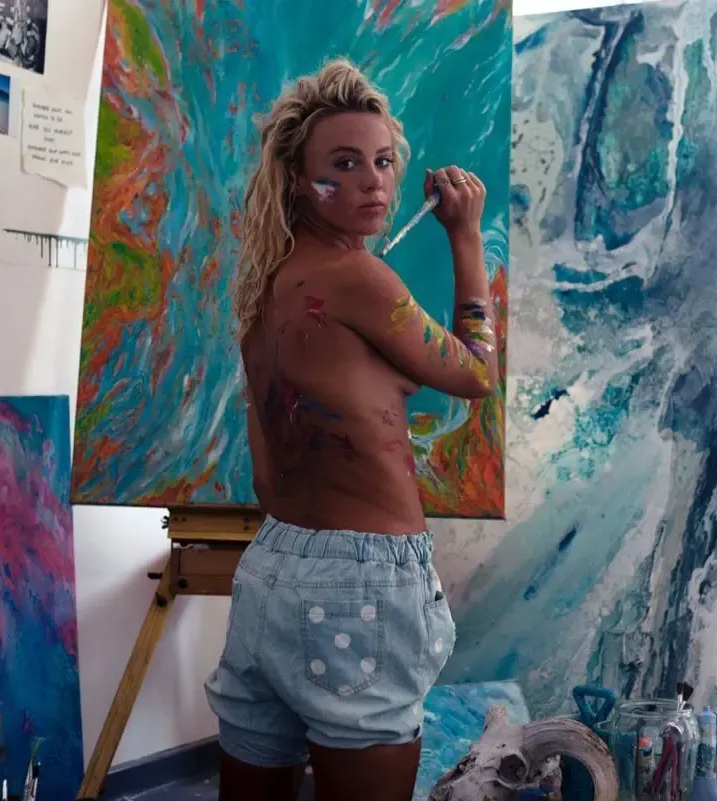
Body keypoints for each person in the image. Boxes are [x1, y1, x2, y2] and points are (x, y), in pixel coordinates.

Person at [204, 58, 500, 801]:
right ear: (298, 182)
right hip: (361, 581)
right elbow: (476, 372)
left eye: (383, 161)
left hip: (272, 568)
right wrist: (466, 237)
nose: (373, 181)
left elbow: (267, 477)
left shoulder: (267, 293)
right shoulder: (360, 279)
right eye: (344, 164)